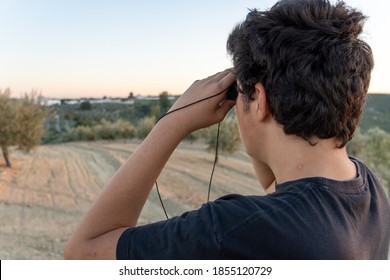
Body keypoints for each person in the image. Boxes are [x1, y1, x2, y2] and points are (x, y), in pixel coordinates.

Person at [65, 0, 390, 259]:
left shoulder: (235, 229)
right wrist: (256, 98)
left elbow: (84, 253)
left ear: (259, 101)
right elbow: (277, 180)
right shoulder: (367, 188)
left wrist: (175, 120)